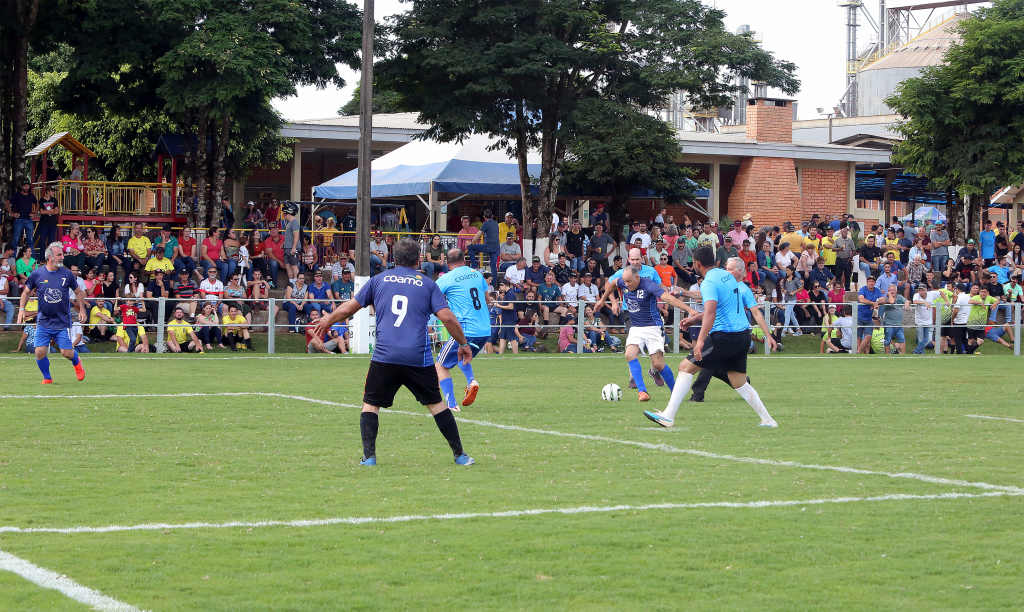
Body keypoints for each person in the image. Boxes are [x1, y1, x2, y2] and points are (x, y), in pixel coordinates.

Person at [312, 237, 475, 467]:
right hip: (417, 357)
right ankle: (460, 455)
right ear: (418, 259)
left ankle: (369, 458)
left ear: (394, 258)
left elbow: (350, 307)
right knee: (436, 404)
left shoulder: (379, 280)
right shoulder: (428, 284)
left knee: (371, 404)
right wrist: (463, 344)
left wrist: (329, 319)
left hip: (385, 356)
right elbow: (447, 317)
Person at [644, 246, 777, 428]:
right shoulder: (726, 276)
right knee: (738, 381)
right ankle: (768, 420)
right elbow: (712, 297)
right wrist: (686, 298)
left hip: (725, 336)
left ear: (697, 264)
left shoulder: (709, 282)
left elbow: (711, 312)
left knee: (685, 367)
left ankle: (668, 416)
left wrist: (699, 341)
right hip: (743, 336)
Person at [593, 265, 694, 402]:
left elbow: (669, 299)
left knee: (658, 364)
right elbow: (612, 284)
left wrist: (689, 309)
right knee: (629, 354)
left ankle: (676, 393)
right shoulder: (623, 281)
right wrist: (602, 300)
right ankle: (642, 391)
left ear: (637, 277)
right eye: (625, 281)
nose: (626, 284)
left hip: (653, 326)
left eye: (629, 281)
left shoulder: (649, 286)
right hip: (636, 327)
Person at [17, 242, 87, 384]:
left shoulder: (67, 273)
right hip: (43, 322)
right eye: (59, 255)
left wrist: (83, 310)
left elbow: (78, 292)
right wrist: (21, 309)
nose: (62, 257)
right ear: (50, 257)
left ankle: (77, 361)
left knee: (66, 353)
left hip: (62, 322)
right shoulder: (37, 274)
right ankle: (47, 378)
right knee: (39, 352)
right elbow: (26, 292)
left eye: (62, 254)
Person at [434, 248, 492, 411]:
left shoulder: (446, 278)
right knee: (462, 356)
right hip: (485, 329)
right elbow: (487, 299)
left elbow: (430, 298)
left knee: (441, 366)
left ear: (447, 263)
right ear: (464, 260)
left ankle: (451, 405)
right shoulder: (477, 274)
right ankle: (471, 381)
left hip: (466, 329)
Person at [467, 208, 501, 281]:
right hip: (496, 247)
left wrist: (471, 242)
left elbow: (478, 234)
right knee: (493, 266)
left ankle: (475, 266)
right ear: (492, 216)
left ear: (484, 217)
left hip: (489, 246)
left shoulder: (486, 223)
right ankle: (493, 284)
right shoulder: (496, 223)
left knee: (470, 248)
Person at [5, 179, 37, 254]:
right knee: (15, 240)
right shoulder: (17, 195)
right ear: (22, 187)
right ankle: (13, 258)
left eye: (28, 186)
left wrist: (34, 213)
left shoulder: (31, 195)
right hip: (19, 220)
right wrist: (12, 213)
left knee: (30, 240)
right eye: (25, 186)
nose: (26, 187)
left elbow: (37, 203)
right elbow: (7, 203)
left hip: (29, 220)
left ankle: (31, 259)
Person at [877, 284, 910, 353]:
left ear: (896, 291)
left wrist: (907, 302)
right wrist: (889, 294)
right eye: (890, 290)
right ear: (888, 291)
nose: (892, 291)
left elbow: (906, 300)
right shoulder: (886, 299)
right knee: (887, 340)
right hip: (889, 324)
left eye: (893, 290)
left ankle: (904, 355)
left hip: (898, 324)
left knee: (902, 339)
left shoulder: (900, 297)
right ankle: (887, 355)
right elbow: (891, 302)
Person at [280, 201, 301, 285]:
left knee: (294, 266)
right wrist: (284, 243)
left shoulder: (294, 223)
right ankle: (291, 283)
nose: (284, 215)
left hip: (292, 247)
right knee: (288, 265)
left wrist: (294, 247)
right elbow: (290, 236)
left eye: (284, 213)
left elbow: (296, 236)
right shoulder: (289, 223)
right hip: (287, 247)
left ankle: (297, 283)